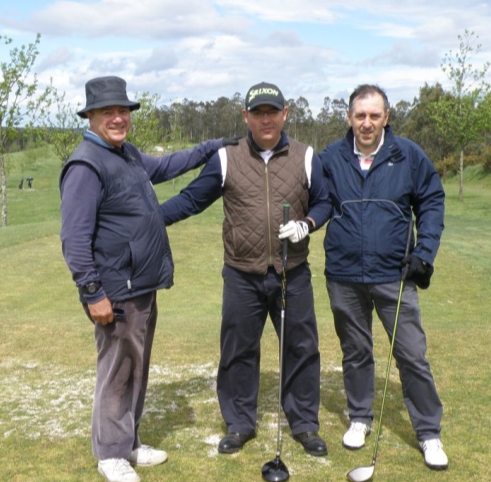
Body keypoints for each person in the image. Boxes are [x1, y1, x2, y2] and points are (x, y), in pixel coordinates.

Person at [59, 75, 238, 482]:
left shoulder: (128, 155)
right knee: (118, 369)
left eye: (123, 110)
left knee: (136, 367)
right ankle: (110, 455)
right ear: (90, 116)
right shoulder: (86, 165)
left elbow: (169, 165)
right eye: (109, 112)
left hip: (140, 284)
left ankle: (128, 443)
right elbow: (73, 237)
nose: (118, 117)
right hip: (114, 290)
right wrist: (92, 293)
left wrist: (213, 147)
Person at [161, 82, 332, 457]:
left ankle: (304, 424)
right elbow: (191, 199)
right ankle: (239, 423)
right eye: (258, 113)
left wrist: (309, 223)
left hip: (293, 272)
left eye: (273, 111)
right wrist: (150, 219)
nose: (266, 119)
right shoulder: (227, 157)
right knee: (238, 349)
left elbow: (324, 201)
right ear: (246, 117)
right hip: (242, 274)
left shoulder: (306, 156)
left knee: (302, 348)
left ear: (285, 114)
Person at [319, 84, 448, 470]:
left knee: (410, 354)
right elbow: (315, 199)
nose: (367, 123)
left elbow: (432, 200)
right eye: (360, 115)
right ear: (349, 117)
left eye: (375, 115)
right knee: (356, 352)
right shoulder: (331, 157)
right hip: (344, 275)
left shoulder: (406, 155)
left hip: (395, 274)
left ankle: (429, 433)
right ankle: (359, 417)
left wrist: (424, 253)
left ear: (386, 117)